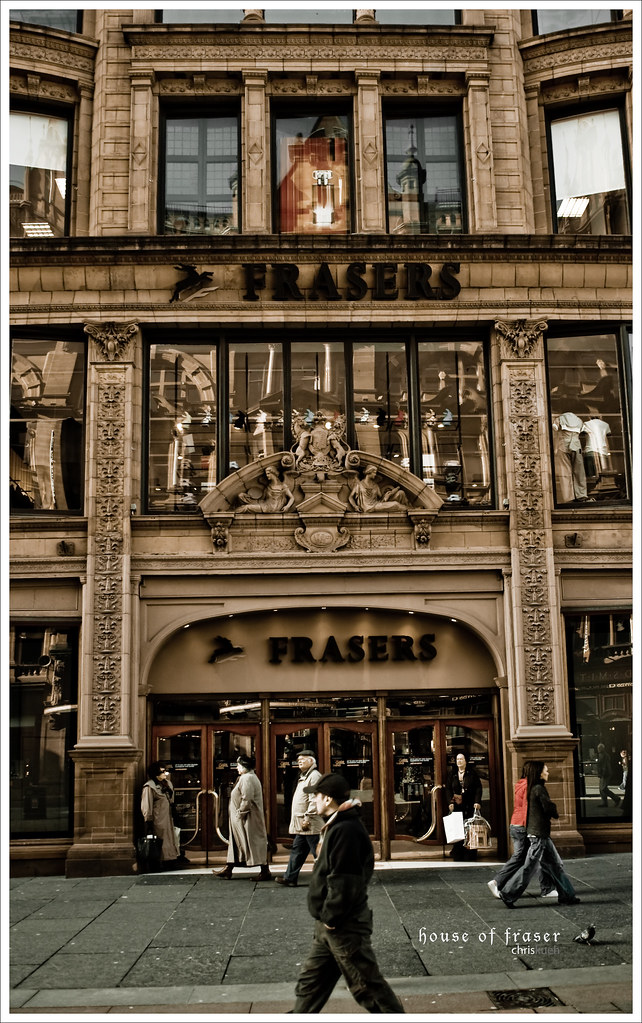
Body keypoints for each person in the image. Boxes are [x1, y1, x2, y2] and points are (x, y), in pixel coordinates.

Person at [290, 773, 405, 1014]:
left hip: (343, 926)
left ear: (328, 799)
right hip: (329, 926)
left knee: (367, 987)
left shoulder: (346, 830)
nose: (314, 801)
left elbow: (345, 881)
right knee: (310, 984)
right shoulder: (336, 825)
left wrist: (331, 918)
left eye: (317, 796)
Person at [498, 762, 580, 908]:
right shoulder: (538, 788)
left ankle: (568, 896)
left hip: (539, 834)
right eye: (546, 770)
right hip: (539, 834)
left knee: (556, 865)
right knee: (530, 867)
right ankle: (508, 893)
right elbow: (548, 807)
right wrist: (554, 810)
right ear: (539, 773)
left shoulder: (532, 788)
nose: (548, 773)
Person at [488, 763, 554, 899]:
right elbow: (527, 808)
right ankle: (546, 889)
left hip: (515, 825)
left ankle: (498, 882)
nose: (547, 772)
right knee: (535, 858)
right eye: (545, 770)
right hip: (523, 826)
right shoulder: (531, 787)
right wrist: (532, 828)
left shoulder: (520, 784)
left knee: (523, 857)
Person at [215, 755, 272, 881]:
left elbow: (247, 799)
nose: (237, 768)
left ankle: (265, 870)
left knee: (253, 842)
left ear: (245, 766)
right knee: (237, 843)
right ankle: (228, 868)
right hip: (242, 818)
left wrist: (240, 813)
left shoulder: (247, 778)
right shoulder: (246, 777)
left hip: (247, 819)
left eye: (239, 766)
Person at [275, 750, 323, 888]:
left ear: (312, 761)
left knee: (318, 853)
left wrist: (308, 817)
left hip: (310, 824)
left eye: (303, 759)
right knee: (298, 851)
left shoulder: (314, 776)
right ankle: (290, 878)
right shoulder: (305, 776)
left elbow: (314, 800)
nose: (300, 761)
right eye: (299, 759)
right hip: (303, 824)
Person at [141, 761, 181, 866]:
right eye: (162, 771)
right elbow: (147, 805)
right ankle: (160, 861)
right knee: (161, 840)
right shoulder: (149, 786)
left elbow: (171, 801)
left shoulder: (168, 784)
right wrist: (148, 820)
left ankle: (171, 859)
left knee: (171, 838)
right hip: (158, 819)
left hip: (168, 817)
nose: (165, 773)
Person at [445, 752, 482, 861]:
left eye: (461, 759)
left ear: (465, 761)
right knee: (458, 829)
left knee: (470, 829)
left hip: (469, 805)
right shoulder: (452, 774)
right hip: (457, 806)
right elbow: (448, 789)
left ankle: (470, 853)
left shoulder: (472, 773)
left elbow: (478, 788)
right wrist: (450, 802)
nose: (459, 761)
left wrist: (477, 801)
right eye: (457, 759)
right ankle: (457, 853)